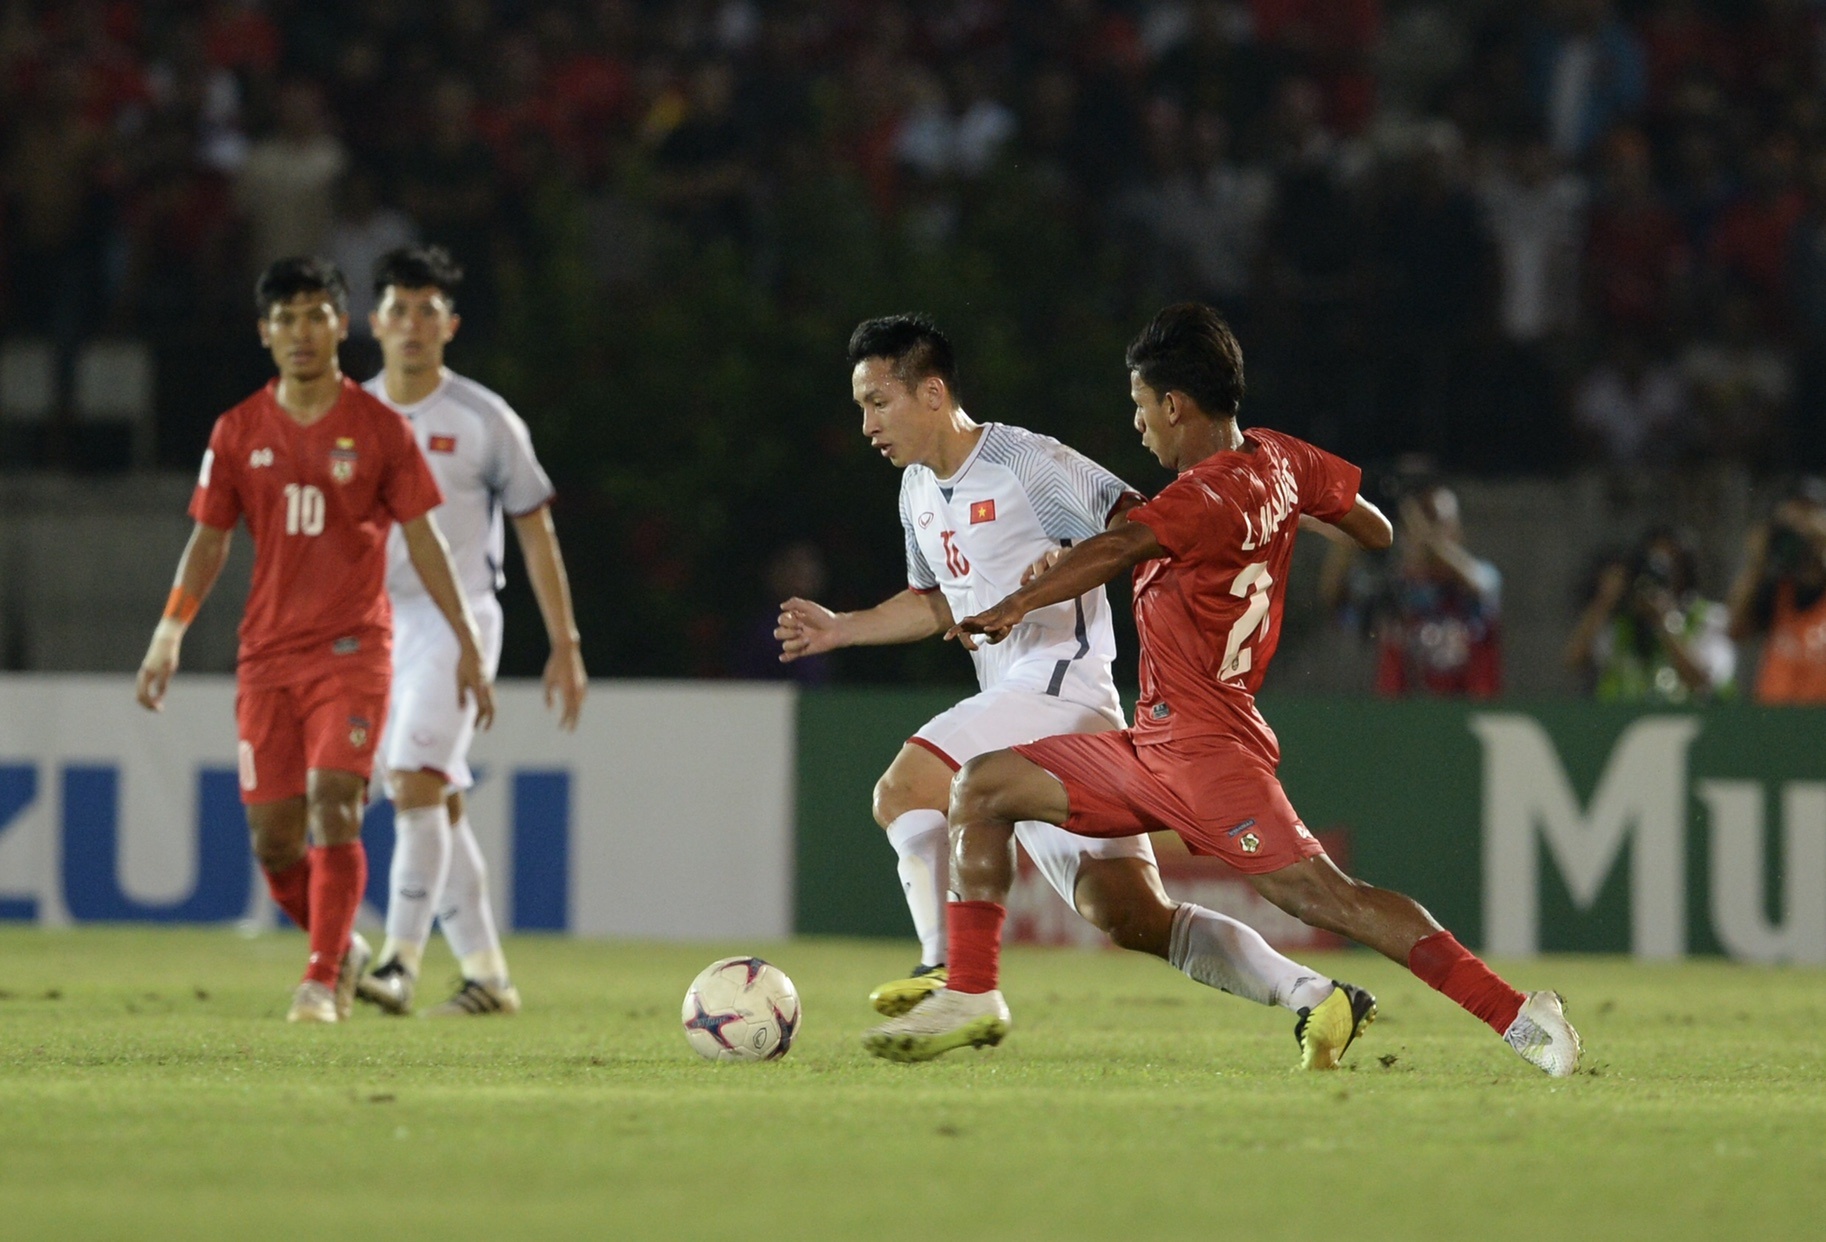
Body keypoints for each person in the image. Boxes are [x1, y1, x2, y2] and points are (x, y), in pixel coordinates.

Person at [864, 303, 1582, 1078]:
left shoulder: (1203, 496)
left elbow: (1119, 542)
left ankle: (1516, 1012)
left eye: (1142, 410)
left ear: (1175, 406)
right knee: (985, 784)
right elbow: (1374, 529)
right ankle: (970, 991)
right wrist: (1279, 522)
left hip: (1210, 755)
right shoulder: (1280, 461)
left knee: (1329, 899)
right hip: (1153, 743)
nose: (1140, 429)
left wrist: (1011, 604)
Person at [779, 315, 1371, 1070]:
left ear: (931, 393)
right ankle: (1316, 995)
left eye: (877, 402)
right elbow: (936, 601)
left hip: (1062, 688)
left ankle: (947, 975)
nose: (866, 424)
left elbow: (1136, 521)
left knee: (904, 788)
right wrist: (841, 629)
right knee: (1126, 913)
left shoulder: (1027, 462)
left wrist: (1063, 554)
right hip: (1026, 704)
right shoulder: (916, 493)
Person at [135, 256, 493, 1024]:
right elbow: (208, 540)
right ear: (265, 334)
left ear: (340, 323)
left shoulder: (378, 430)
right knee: (273, 842)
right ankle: (343, 944)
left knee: (337, 800)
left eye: (315, 315)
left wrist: (465, 638)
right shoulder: (237, 431)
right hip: (267, 656)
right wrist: (170, 631)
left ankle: (322, 976)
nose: (301, 332)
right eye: (285, 319)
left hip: (353, 650)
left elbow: (426, 541)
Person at [355, 246, 587, 1017]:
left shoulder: (485, 419)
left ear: (450, 325)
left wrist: (566, 643)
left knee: (414, 782)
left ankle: (397, 964)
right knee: (438, 801)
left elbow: (535, 532)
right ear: (374, 322)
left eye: (429, 310)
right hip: (370, 627)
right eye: (399, 309)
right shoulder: (346, 419)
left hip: (456, 621)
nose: (413, 325)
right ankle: (488, 975)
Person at [1320, 483, 1504, 698]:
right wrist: (1347, 536)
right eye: (1414, 525)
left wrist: (1422, 531)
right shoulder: (1393, 586)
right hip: (1402, 720)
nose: (1421, 532)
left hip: (1467, 716)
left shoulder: (1479, 579)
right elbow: (1335, 602)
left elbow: (1480, 585)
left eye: (1436, 522)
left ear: (1458, 532)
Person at [1564, 527, 1735, 702]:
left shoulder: (1707, 617)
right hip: (1620, 724)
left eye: (1670, 565)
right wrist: (1604, 601)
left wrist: (1665, 621)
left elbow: (1703, 682)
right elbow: (1575, 660)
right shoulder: (1622, 621)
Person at [1727, 480, 1826, 703]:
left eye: (1809, 514)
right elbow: (1735, 630)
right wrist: (1757, 562)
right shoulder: (1780, 590)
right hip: (1776, 723)